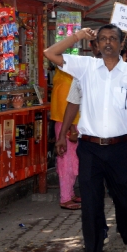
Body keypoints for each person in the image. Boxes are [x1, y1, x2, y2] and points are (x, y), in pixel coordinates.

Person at [44, 24, 127, 252]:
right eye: (102, 39)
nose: (107, 42)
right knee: (91, 206)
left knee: (124, 200)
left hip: (121, 149)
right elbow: (50, 53)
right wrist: (78, 35)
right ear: (95, 44)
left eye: (112, 39)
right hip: (90, 148)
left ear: (121, 44)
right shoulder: (86, 68)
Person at [51, 69, 81, 210]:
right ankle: (66, 198)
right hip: (68, 126)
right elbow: (67, 109)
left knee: (71, 161)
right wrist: (72, 128)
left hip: (66, 125)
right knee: (67, 164)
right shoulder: (66, 82)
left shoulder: (61, 78)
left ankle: (70, 194)